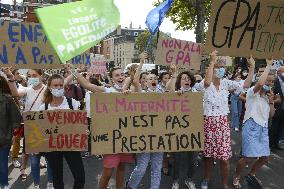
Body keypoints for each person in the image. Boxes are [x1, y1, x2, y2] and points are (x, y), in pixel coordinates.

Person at [64, 55, 148, 189]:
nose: (120, 77)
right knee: (108, 172)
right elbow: (86, 85)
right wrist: (73, 71)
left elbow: (136, 80)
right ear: (112, 78)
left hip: (126, 138)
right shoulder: (107, 91)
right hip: (110, 140)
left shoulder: (131, 92)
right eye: (116, 75)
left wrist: (142, 61)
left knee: (121, 168)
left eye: (122, 75)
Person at [197, 51, 255, 189]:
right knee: (208, 157)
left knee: (224, 158)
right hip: (208, 123)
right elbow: (206, 82)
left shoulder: (226, 83)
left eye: (223, 66)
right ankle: (206, 178)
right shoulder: (203, 84)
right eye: (218, 66)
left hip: (222, 124)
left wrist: (252, 67)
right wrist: (212, 61)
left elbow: (245, 85)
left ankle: (224, 184)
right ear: (211, 68)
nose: (221, 69)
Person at [126, 54, 170, 189]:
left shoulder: (163, 94)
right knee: (142, 167)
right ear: (145, 82)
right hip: (144, 136)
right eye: (150, 78)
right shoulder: (141, 93)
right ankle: (131, 186)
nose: (153, 80)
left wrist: (174, 74)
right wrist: (141, 62)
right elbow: (135, 81)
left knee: (156, 167)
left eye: (155, 78)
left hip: (159, 135)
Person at [233, 59, 276, 188]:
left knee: (264, 158)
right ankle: (237, 176)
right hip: (251, 126)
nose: (270, 83)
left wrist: (271, 101)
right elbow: (260, 83)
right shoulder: (252, 92)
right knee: (248, 157)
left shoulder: (266, 97)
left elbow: (271, 114)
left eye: (272, 81)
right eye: (268, 81)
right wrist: (269, 65)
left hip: (263, 128)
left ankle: (251, 174)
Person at [40, 74, 85, 189]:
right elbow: (40, 129)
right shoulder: (43, 108)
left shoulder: (72, 103)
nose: (59, 88)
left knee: (80, 176)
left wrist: (84, 130)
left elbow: (81, 122)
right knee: (57, 177)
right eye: (55, 85)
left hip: (71, 144)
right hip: (52, 146)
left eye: (61, 85)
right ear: (49, 87)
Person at [12, 69, 53, 188]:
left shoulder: (48, 90)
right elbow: (15, 93)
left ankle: (50, 183)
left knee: (50, 159)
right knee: (34, 161)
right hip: (31, 130)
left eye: (34, 75)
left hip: (46, 129)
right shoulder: (27, 89)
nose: (32, 78)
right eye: (29, 76)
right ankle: (36, 184)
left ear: (41, 75)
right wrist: (10, 77)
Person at [168, 70, 197, 189]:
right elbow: (169, 92)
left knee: (193, 160)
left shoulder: (196, 93)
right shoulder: (175, 93)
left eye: (188, 79)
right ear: (179, 81)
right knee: (177, 159)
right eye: (184, 78)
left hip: (194, 131)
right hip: (178, 131)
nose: (187, 80)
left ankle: (189, 179)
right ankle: (175, 180)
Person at [0, 72, 22, 189]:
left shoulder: (7, 99)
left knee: (2, 162)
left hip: (4, 137)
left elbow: (16, 118)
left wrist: (14, 134)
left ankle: (4, 184)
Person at [270, 66, 284, 150]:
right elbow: (273, 92)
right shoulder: (275, 81)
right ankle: (271, 144)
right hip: (277, 106)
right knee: (274, 126)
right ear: (279, 72)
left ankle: (276, 143)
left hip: (283, 107)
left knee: (281, 126)